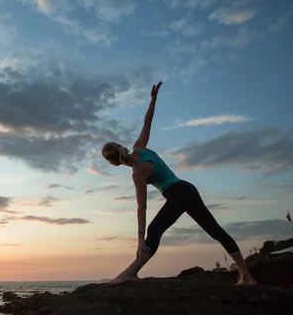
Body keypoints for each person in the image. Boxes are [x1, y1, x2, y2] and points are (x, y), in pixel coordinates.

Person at [101, 81, 257, 286]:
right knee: (215, 231)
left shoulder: (139, 172)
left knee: (154, 229)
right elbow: (147, 123)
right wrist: (153, 100)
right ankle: (246, 276)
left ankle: (131, 272)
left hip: (177, 193)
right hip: (187, 188)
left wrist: (140, 239)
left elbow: (142, 207)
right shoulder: (140, 147)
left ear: (113, 163)